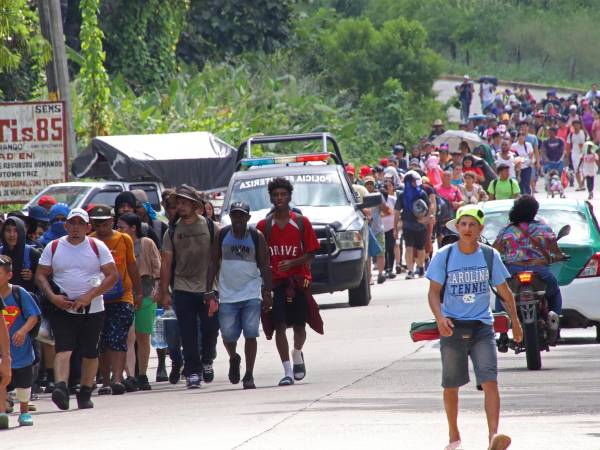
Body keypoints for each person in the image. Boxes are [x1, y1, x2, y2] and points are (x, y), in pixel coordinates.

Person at [426, 205, 522, 450]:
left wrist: (516, 325)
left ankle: (493, 437)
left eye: (472, 225)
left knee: (490, 381)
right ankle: (454, 436)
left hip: (482, 328)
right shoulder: (444, 256)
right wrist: (439, 318)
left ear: (480, 229)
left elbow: (505, 293)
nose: (467, 229)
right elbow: (433, 293)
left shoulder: (490, 256)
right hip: (452, 329)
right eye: (463, 224)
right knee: (451, 385)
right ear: (457, 227)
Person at [35, 208, 118, 410]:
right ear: (66, 226)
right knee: (64, 348)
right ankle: (61, 387)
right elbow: (40, 275)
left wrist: (89, 296)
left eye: (81, 223)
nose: (75, 227)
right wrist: (53, 297)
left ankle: (86, 391)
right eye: (72, 223)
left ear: (88, 227)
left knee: (90, 352)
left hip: (93, 309)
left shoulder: (97, 247)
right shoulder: (54, 247)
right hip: (63, 308)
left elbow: (112, 276)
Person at [256, 177, 320, 386]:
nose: (279, 198)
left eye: (283, 194)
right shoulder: (263, 226)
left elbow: (311, 254)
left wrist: (293, 263)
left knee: (300, 326)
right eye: (276, 195)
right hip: (275, 284)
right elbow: (259, 259)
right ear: (271, 198)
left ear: (290, 196)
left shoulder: (301, 222)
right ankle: (287, 371)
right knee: (279, 325)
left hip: (298, 281)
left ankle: (297, 353)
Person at [159, 185, 220, 389]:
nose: (181, 206)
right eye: (179, 203)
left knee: (211, 328)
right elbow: (166, 263)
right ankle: (193, 371)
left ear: (195, 205)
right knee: (188, 332)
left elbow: (219, 259)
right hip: (183, 287)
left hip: (208, 288)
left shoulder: (212, 227)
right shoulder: (172, 231)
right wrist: (164, 291)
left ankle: (207, 359)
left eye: (185, 202)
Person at [206, 202, 272, 389]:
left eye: (241, 215)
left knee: (251, 333)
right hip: (228, 293)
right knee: (227, 335)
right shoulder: (223, 235)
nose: (238, 219)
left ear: (248, 218)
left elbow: (265, 265)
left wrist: (267, 292)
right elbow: (213, 262)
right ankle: (234, 358)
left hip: (251, 291)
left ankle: (249, 374)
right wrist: (208, 290)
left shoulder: (256, 236)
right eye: (235, 215)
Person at [89, 204, 143, 395]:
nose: (101, 228)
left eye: (104, 223)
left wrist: (138, 292)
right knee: (102, 340)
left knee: (118, 337)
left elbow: (132, 266)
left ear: (112, 221)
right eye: (97, 224)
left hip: (122, 296)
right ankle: (105, 381)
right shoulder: (90, 241)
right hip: (98, 297)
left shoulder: (123, 239)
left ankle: (117, 379)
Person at [493, 196, 563, 335]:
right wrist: (559, 256)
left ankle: (502, 331)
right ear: (534, 211)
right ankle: (555, 323)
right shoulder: (544, 228)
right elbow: (557, 252)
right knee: (554, 292)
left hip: (513, 272)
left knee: (501, 294)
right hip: (539, 271)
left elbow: (495, 251)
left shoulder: (507, 231)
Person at [117, 212, 161, 391]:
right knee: (128, 336)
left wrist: (159, 288)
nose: (118, 230)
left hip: (146, 292)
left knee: (143, 335)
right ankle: (130, 376)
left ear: (133, 228)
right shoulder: (117, 243)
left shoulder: (147, 243)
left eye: (122, 227)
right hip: (124, 294)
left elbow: (157, 267)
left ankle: (142, 374)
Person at [0, 256, 41, 427]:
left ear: (9, 275)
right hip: (3, 350)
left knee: (24, 385)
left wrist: (23, 331)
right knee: (2, 381)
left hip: (20, 349)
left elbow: (34, 315)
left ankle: (24, 411)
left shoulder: (18, 293)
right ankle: (2, 412)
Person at [394, 171, 429, 280]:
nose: (416, 183)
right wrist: (395, 227)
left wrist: (425, 219)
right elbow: (397, 211)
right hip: (407, 225)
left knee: (421, 248)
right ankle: (410, 271)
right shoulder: (402, 195)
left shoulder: (422, 193)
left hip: (420, 226)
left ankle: (421, 267)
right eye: (413, 181)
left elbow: (428, 208)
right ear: (408, 182)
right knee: (408, 247)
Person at [364, 176, 387, 284]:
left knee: (381, 252)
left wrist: (379, 200)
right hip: (367, 229)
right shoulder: (361, 196)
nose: (369, 185)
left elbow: (385, 209)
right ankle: (369, 278)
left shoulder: (378, 195)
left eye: (371, 183)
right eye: (367, 184)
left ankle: (380, 273)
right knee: (367, 255)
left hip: (378, 228)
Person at [567, 119, 588, 191]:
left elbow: (588, 143)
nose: (576, 126)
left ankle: (583, 183)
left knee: (584, 170)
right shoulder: (571, 135)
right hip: (575, 154)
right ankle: (580, 185)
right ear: (572, 126)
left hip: (584, 153)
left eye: (577, 125)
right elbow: (568, 145)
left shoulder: (584, 133)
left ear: (580, 125)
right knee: (576, 169)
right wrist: (567, 155)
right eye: (574, 125)